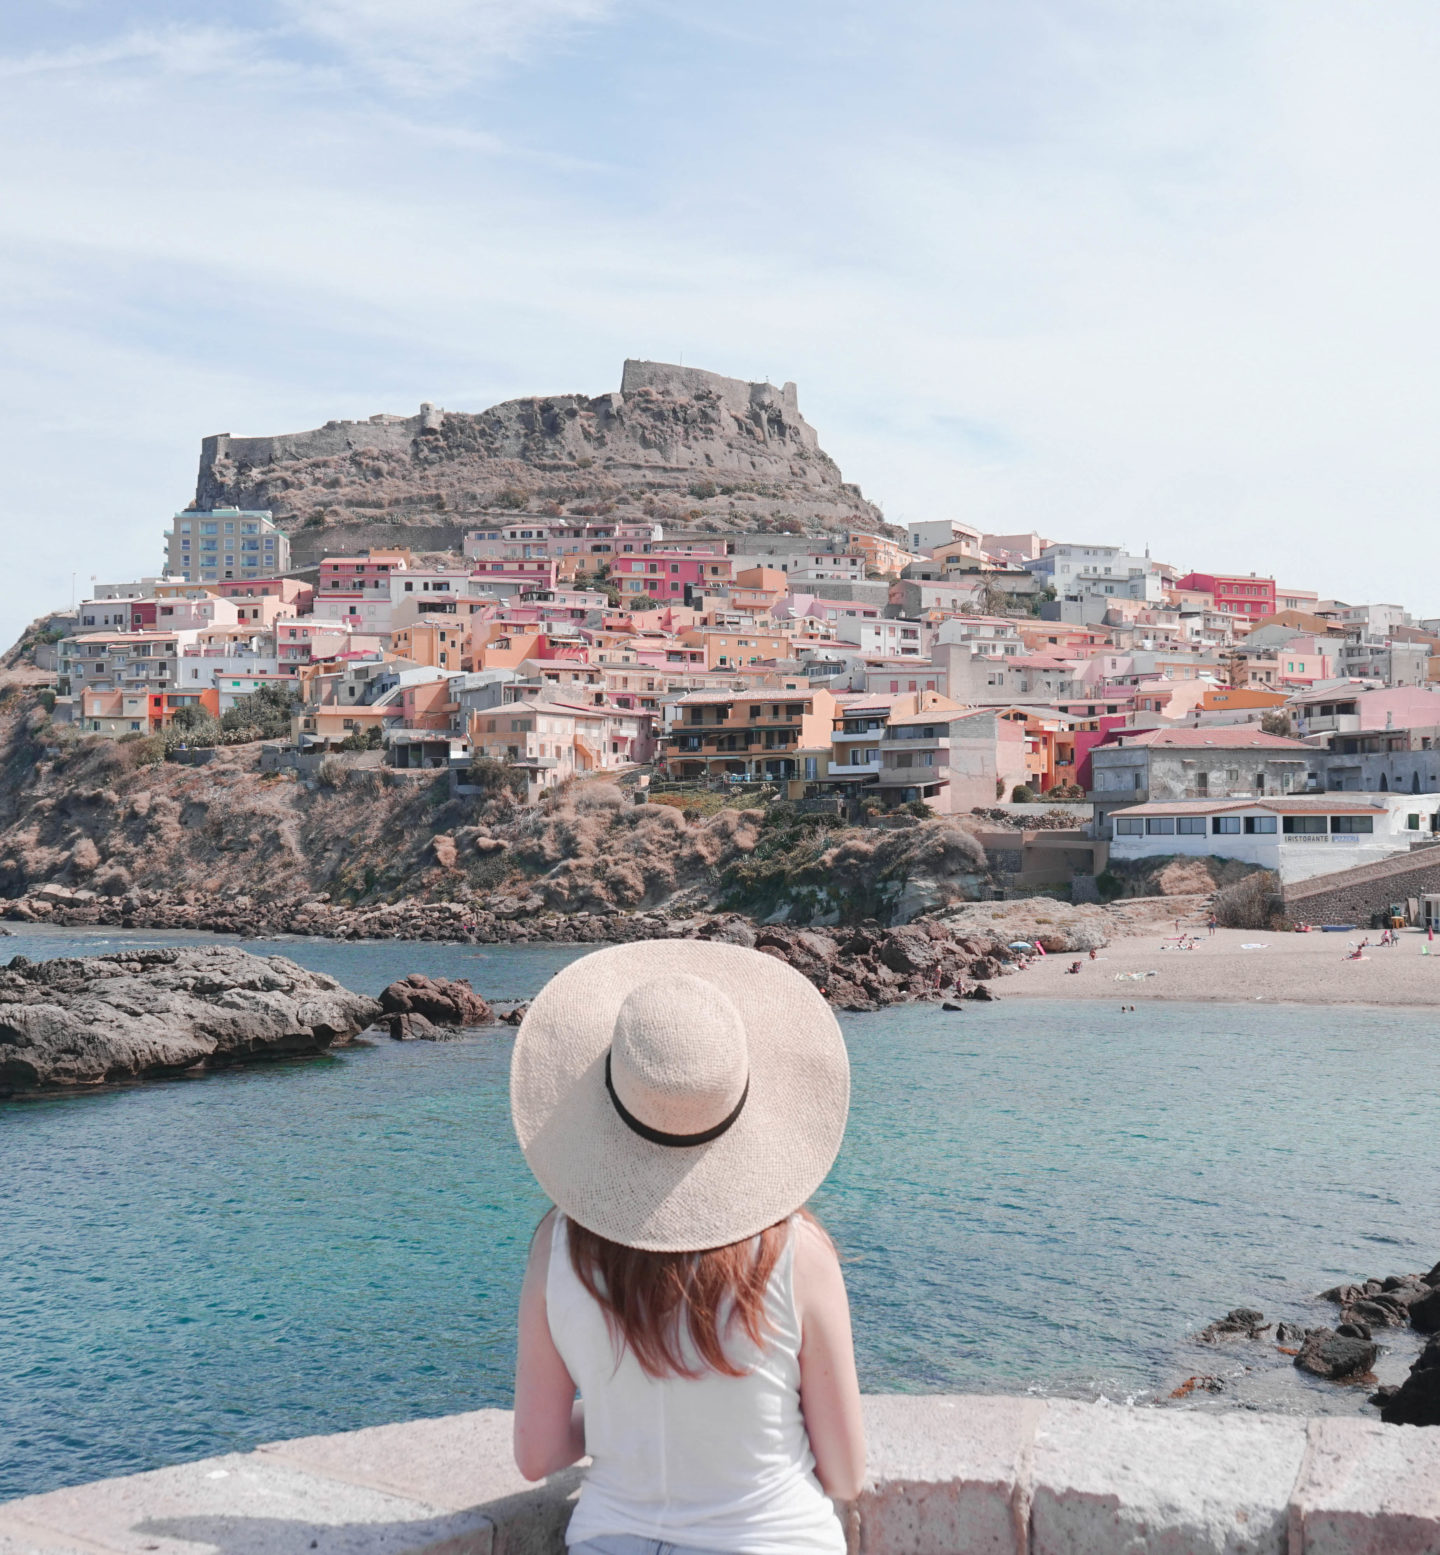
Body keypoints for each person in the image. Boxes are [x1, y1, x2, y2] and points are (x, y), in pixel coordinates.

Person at [510, 941, 864, 1554]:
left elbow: (537, 1453)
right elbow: (848, 1474)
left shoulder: (555, 1247)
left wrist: (628, 1416)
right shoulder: (798, 1253)